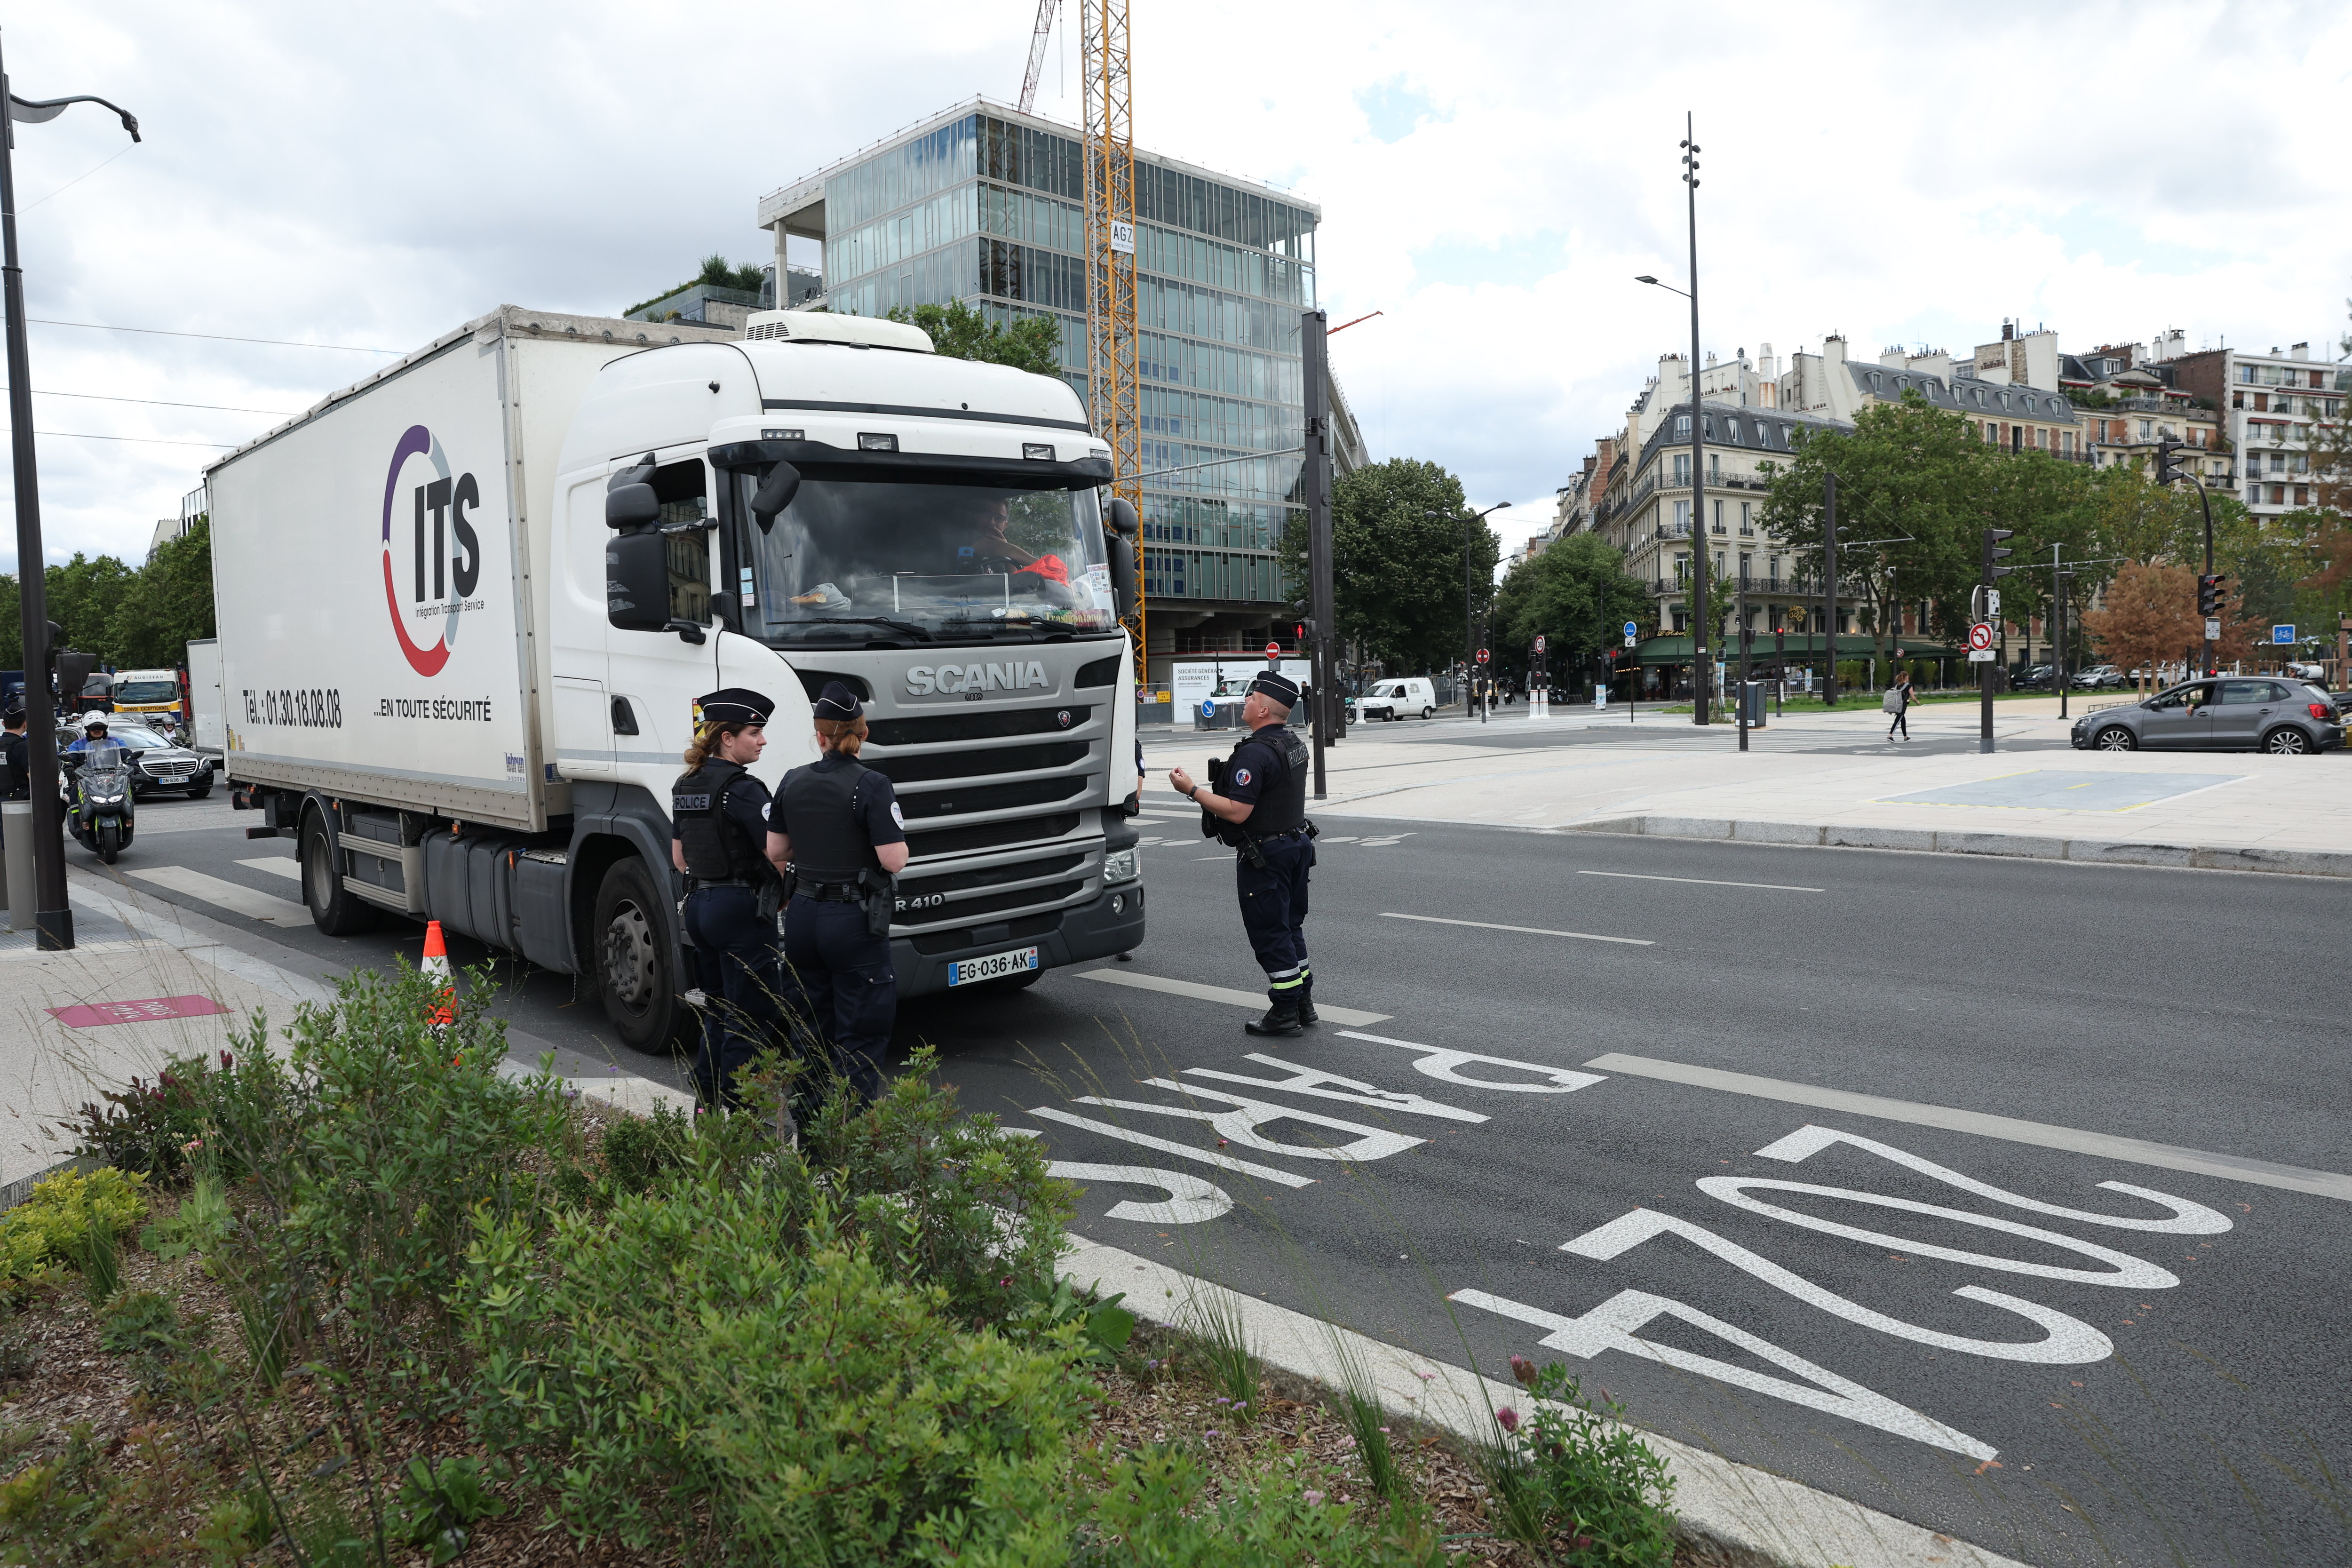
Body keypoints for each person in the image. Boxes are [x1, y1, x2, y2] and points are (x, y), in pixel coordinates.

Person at [768, 682, 909, 1106]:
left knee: (809, 1032)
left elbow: (776, 850)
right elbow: (894, 860)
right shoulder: (872, 784)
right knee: (860, 1037)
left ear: (820, 736)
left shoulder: (792, 779)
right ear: (862, 733)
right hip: (851, 920)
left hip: (803, 915)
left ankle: (810, 1149)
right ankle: (851, 1153)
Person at [1168, 669, 1318, 1037]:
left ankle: (1284, 1011)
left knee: (1271, 932)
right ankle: (1303, 1002)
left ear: (1264, 709)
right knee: (1290, 926)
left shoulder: (1255, 754)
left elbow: (1238, 811)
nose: (1246, 701)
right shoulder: (1293, 743)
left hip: (1266, 854)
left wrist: (1192, 790)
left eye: (1251, 697)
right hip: (1296, 844)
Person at [671, 688, 791, 1113]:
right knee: (751, 1015)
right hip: (739, 910)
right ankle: (741, 1116)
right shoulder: (743, 789)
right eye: (754, 732)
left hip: (701, 908)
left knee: (718, 1011)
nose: (762, 741)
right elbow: (777, 851)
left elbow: (679, 856)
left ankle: (707, 1104)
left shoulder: (685, 784)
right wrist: (783, 895)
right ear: (727, 737)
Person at [0, 704, 27, 800]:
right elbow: (34, 779)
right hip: (19, 803)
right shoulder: (23, 747)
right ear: (25, 724)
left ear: (4, 723)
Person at [1885, 672, 1915, 741]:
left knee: (1903, 721)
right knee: (1898, 721)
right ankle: (1890, 735)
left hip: (1897, 705)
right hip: (1902, 706)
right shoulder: (1909, 686)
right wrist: (1917, 702)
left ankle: (1905, 737)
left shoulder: (1897, 686)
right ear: (1906, 677)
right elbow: (1913, 697)